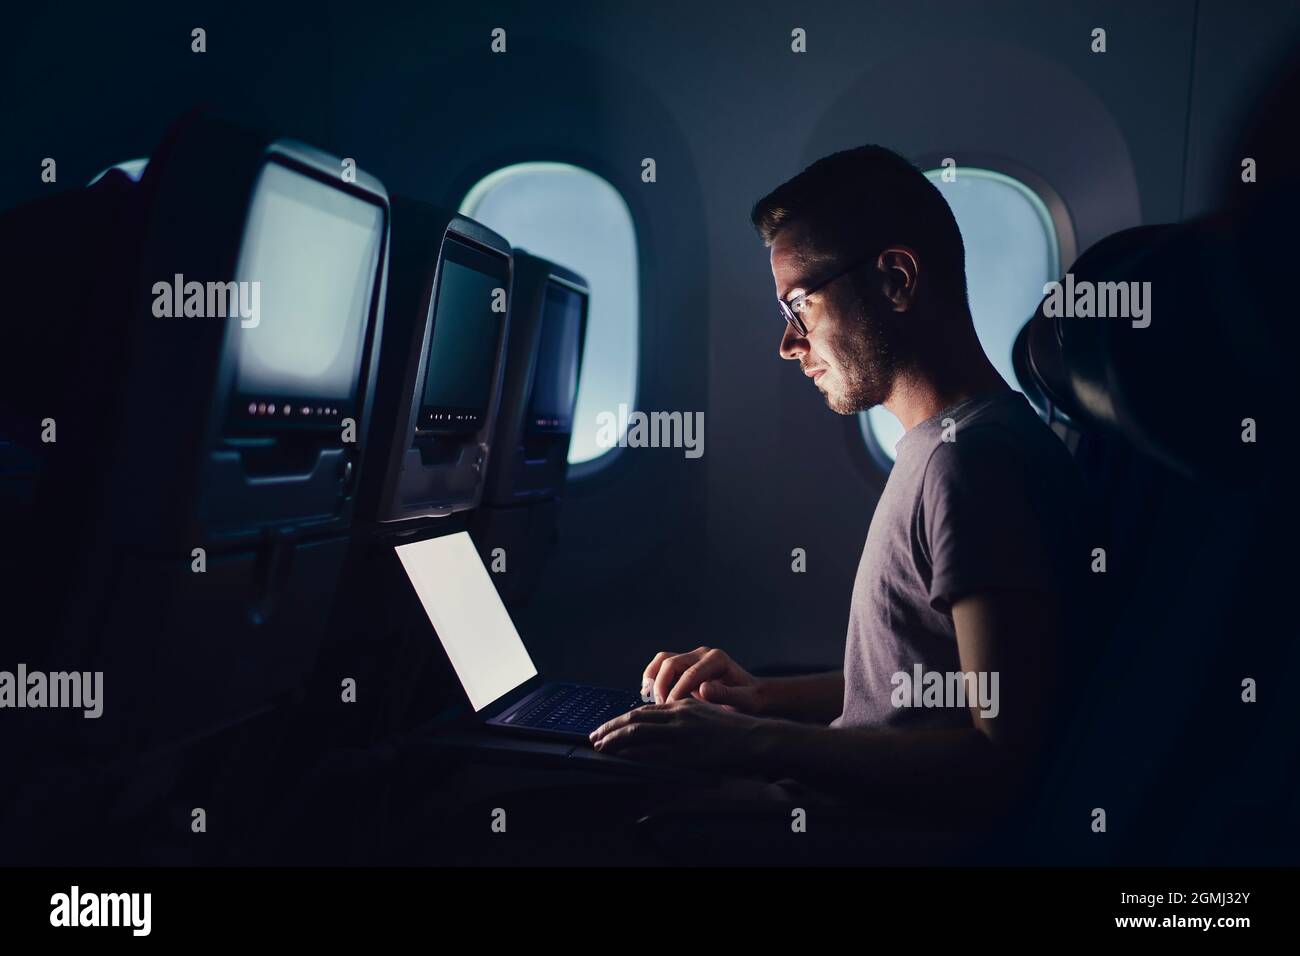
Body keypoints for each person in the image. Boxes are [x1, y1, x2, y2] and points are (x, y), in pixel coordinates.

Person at [589, 145, 1084, 829]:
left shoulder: (973, 465)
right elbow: (915, 690)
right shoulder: (944, 449)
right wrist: (760, 699)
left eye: (799, 305)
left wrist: (753, 745)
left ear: (896, 281)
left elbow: (1000, 757)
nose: (788, 344)